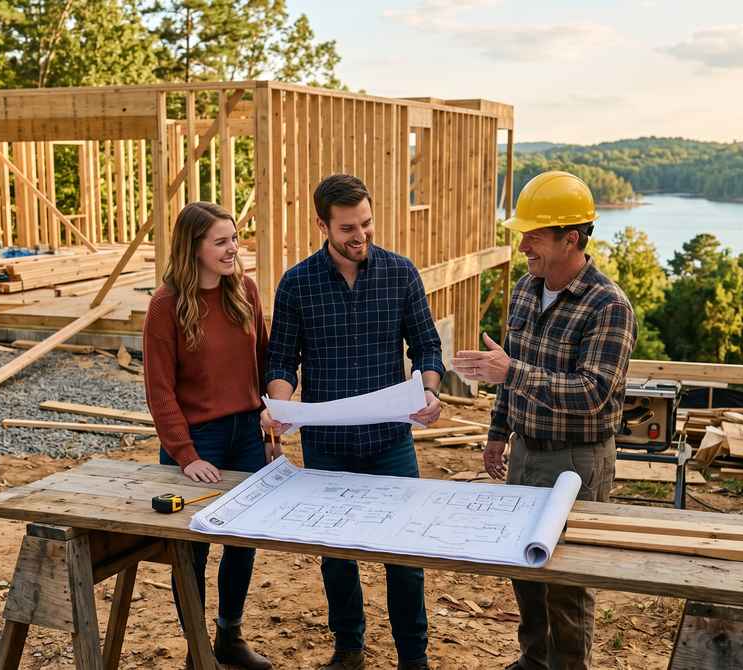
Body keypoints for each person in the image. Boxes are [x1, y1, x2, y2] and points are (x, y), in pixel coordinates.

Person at [452, 171, 636, 670]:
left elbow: (593, 394)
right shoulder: (526, 289)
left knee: (568, 583)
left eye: (533, 234)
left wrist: (511, 371)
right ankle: (534, 660)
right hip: (527, 451)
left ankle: (568, 667)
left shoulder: (609, 306)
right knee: (525, 568)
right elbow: (508, 369)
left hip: (577, 461)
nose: (523, 243)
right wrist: (496, 432)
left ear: (570, 238)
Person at [262, 174, 444, 670]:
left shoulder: (401, 273)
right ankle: (348, 649)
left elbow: (426, 345)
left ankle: (414, 658)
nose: (360, 235)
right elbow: (282, 362)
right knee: (336, 555)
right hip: (327, 445)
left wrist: (429, 389)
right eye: (347, 228)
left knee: (404, 555)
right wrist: (278, 409)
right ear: (322, 224)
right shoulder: (297, 283)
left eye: (366, 223)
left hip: (391, 441)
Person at [143, 201, 274, 670]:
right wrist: (185, 454)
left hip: (246, 435)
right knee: (192, 551)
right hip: (199, 440)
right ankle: (198, 653)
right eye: (220, 241)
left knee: (244, 540)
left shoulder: (245, 291)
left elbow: (262, 358)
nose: (232, 249)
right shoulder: (166, 306)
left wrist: (271, 412)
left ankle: (229, 638)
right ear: (193, 247)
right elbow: (159, 392)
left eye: (235, 238)